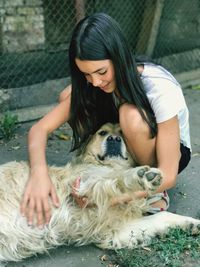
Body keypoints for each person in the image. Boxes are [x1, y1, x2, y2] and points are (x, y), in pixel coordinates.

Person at [20, 13, 191, 227]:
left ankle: (152, 193)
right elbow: (39, 129)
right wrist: (39, 174)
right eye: (86, 74)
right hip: (125, 134)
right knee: (68, 96)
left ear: (118, 57)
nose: (95, 81)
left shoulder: (160, 88)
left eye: (101, 71)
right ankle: (107, 166)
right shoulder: (95, 82)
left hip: (167, 153)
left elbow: (168, 173)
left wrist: (106, 197)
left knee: (130, 115)